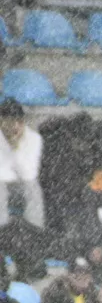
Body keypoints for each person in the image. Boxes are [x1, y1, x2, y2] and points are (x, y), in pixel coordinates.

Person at [0, 99, 51, 281]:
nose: (11, 125)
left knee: (33, 189)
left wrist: (16, 147)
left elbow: (29, 174)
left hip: (22, 183)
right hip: (3, 184)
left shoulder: (34, 139)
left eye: (16, 120)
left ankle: (34, 232)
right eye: (6, 120)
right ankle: (2, 228)